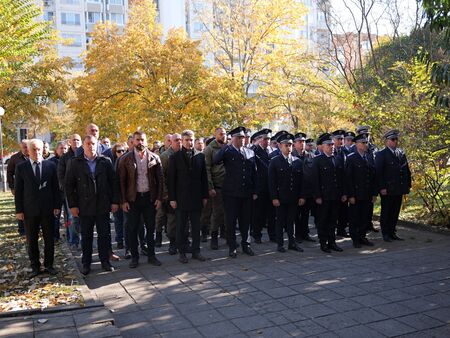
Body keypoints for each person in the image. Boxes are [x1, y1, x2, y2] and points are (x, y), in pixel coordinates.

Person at [65, 135, 119, 275]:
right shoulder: (75, 162)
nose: (91, 146)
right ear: (83, 146)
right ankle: (86, 263)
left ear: (97, 145)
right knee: (86, 236)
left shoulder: (105, 161)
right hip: (84, 206)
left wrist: (114, 201)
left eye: (93, 143)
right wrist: (73, 206)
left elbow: (113, 183)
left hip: (102, 205)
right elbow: (69, 186)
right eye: (88, 143)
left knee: (104, 235)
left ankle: (105, 262)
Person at [15, 139, 61, 278]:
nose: (37, 152)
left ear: (43, 150)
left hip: (47, 209)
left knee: (49, 239)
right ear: (28, 150)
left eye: (39, 149)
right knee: (32, 240)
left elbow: (55, 188)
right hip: (29, 210)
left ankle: (49, 265)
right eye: (33, 149)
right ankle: (35, 267)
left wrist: (57, 206)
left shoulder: (50, 166)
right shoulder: (21, 167)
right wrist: (19, 210)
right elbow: (18, 190)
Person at [118, 130, 163, 268]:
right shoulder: (125, 159)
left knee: (151, 228)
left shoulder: (154, 157)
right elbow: (121, 182)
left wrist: (159, 198)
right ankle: (134, 257)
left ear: (146, 141)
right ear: (133, 141)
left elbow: (160, 180)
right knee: (132, 228)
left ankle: (151, 255)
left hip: (150, 198)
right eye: (137, 140)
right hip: (133, 199)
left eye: (142, 140)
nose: (140, 142)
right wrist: (123, 201)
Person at [214, 126, 257, 258]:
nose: (242, 140)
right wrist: (227, 145)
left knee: (246, 221)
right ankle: (232, 246)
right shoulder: (227, 151)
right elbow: (216, 160)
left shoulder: (250, 152)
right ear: (232, 139)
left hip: (246, 193)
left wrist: (255, 191)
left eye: (243, 137)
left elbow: (254, 174)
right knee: (231, 221)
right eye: (239, 137)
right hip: (231, 193)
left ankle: (246, 244)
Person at [168, 130, 209, 263]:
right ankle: (182, 252)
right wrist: (172, 198)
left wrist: (205, 196)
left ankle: (196, 251)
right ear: (182, 141)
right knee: (181, 227)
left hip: (196, 198)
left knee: (196, 226)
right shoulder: (175, 157)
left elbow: (204, 178)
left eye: (191, 140)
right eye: (186, 140)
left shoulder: (200, 157)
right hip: (181, 198)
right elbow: (171, 180)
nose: (189, 142)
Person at [268, 133, 304, 253]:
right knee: (280, 221)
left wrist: (302, 196)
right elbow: (271, 182)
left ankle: (292, 243)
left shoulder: (297, 161)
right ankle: (280, 244)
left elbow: (301, 181)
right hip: (281, 197)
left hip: (293, 197)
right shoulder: (275, 161)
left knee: (291, 221)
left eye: (290, 145)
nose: (288, 147)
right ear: (280, 146)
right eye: (286, 145)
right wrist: (274, 198)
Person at [311, 133, 346, 253]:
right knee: (323, 220)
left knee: (333, 220)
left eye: (332, 144)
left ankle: (332, 242)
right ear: (323, 147)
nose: (332, 147)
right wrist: (317, 196)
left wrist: (343, 193)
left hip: (335, 196)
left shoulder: (337, 158)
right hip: (323, 197)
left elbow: (341, 179)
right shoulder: (317, 160)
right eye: (329, 145)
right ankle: (323, 243)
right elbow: (315, 180)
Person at [375, 129, 411, 242]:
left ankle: (392, 232)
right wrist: (382, 188)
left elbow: (406, 171)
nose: (395, 141)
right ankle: (385, 233)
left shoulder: (401, 153)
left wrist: (407, 185)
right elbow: (379, 173)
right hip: (388, 189)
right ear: (387, 141)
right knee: (386, 211)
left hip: (398, 188)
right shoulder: (381, 154)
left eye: (396, 139)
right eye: (393, 139)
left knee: (395, 212)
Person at [345, 134, 376, 248]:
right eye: (363, 143)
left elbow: (372, 177)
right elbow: (348, 178)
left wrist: (374, 193)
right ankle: (355, 239)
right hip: (356, 194)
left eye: (366, 142)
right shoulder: (351, 158)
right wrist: (351, 195)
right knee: (355, 218)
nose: (365, 145)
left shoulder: (369, 157)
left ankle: (362, 237)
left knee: (364, 217)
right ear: (357, 144)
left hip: (367, 193)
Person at [157, 133, 182, 254]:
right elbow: (162, 177)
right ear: (170, 142)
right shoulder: (165, 156)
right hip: (170, 194)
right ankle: (172, 243)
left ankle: (182, 241)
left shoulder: (184, 154)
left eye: (180, 140)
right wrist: (166, 194)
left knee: (183, 220)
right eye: (176, 140)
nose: (179, 142)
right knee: (171, 220)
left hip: (183, 193)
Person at [204, 127, 227, 250]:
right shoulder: (209, 149)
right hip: (217, 186)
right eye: (221, 134)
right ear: (215, 135)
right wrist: (210, 186)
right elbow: (206, 169)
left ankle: (228, 236)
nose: (223, 136)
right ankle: (214, 238)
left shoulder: (228, 147)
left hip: (229, 185)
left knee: (228, 213)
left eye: (224, 134)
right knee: (217, 213)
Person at [58, 134, 82, 249]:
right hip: (70, 193)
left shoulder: (85, 154)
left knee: (86, 218)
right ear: (70, 142)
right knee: (72, 218)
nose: (76, 142)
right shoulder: (64, 158)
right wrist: (67, 189)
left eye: (78, 140)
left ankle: (85, 241)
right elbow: (61, 176)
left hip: (85, 193)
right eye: (74, 140)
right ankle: (73, 241)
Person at [251, 128, 276, 243]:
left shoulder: (273, 151)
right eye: (265, 139)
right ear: (259, 140)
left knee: (272, 213)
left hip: (271, 187)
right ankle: (257, 234)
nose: (267, 141)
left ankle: (273, 234)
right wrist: (254, 190)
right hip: (260, 187)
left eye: (269, 139)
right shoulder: (254, 151)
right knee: (258, 213)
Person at [293, 132, 316, 243]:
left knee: (306, 214)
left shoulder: (311, 155)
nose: (302, 144)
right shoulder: (291, 155)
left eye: (303, 142)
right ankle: (297, 234)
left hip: (308, 189)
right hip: (296, 190)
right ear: (294, 143)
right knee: (296, 214)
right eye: (299, 142)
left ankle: (305, 233)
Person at [7, 140, 29, 236]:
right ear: (20, 147)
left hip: (32, 188)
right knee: (20, 207)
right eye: (24, 147)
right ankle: (22, 229)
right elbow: (9, 173)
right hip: (20, 188)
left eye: (27, 146)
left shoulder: (33, 156)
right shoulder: (15, 158)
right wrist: (12, 187)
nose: (26, 149)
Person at [49, 141, 68, 241]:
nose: (63, 150)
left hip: (68, 191)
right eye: (61, 148)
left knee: (69, 216)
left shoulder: (70, 160)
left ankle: (69, 235)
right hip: (56, 192)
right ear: (56, 150)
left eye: (65, 148)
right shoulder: (51, 162)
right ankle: (55, 236)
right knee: (56, 215)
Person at [111, 142, 128, 250]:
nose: (121, 153)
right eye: (119, 151)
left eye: (123, 151)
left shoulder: (128, 161)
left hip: (127, 197)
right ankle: (119, 240)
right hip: (116, 196)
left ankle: (127, 242)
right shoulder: (111, 163)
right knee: (118, 220)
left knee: (126, 221)